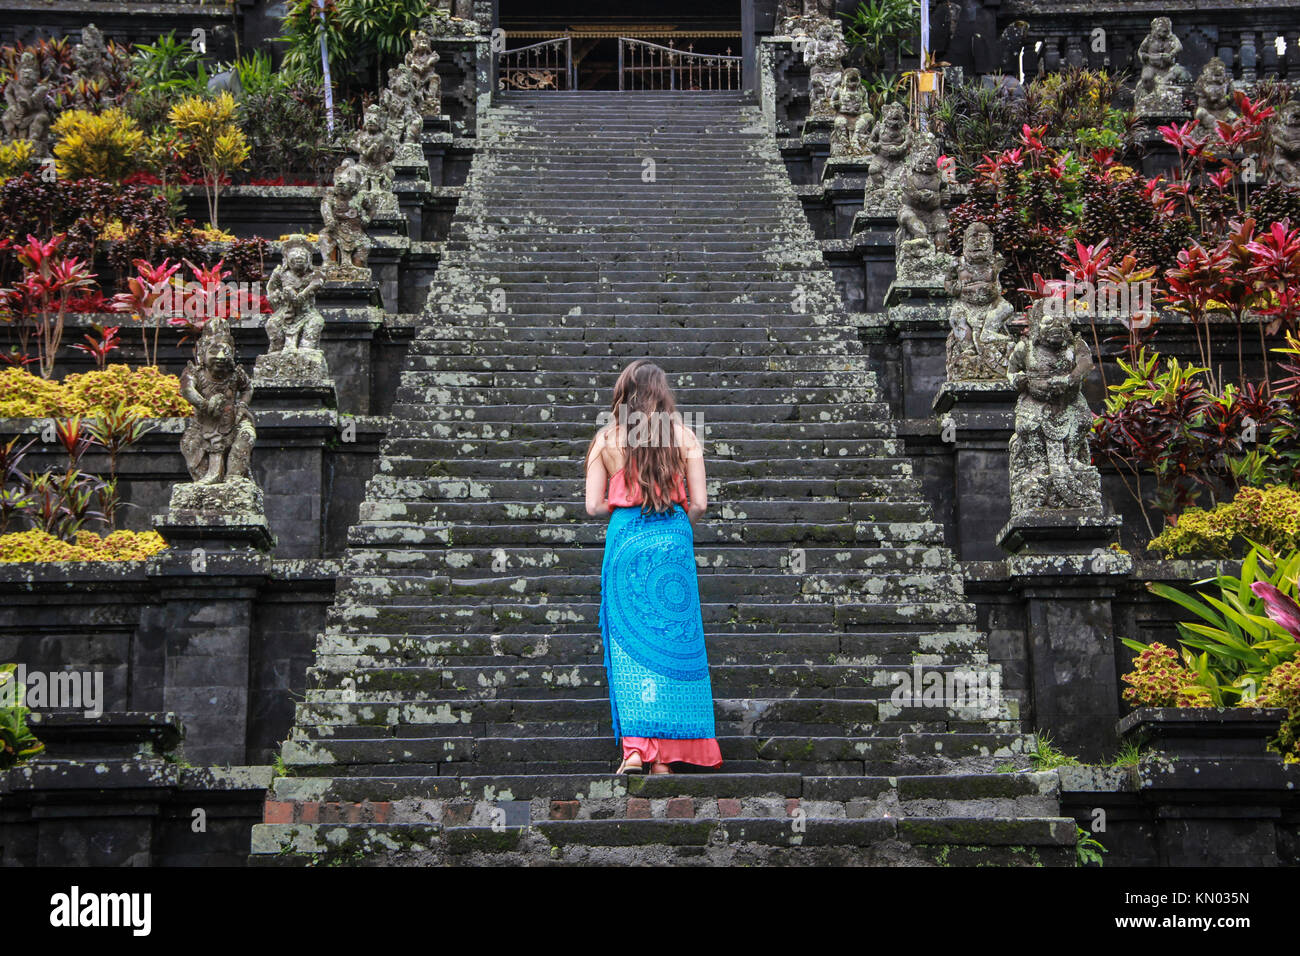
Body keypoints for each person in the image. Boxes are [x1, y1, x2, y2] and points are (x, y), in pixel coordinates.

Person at [584, 360, 721, 775]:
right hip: (671, 543)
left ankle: (638, 750)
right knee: (673, 645)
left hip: (626, 539)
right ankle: (667, 751)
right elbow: (699, 504)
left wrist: (628, 500)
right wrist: (672, 527)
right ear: (663, 394)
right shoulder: (684, 435)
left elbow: (593, 506)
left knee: (630, 645)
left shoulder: (606, 438)